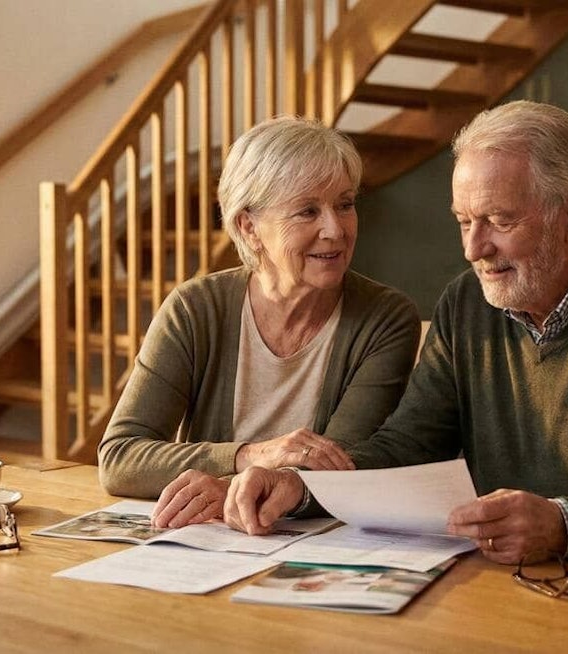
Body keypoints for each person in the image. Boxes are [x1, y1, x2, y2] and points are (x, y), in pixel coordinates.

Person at [222, 100, 568, 564]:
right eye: (463, 221)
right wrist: (301, 487)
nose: (474, 249)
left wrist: (564, 525)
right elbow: (405, 446)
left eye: (498, 220)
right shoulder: (466, 303)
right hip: (496, 585)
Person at [98, 116, 421, 528]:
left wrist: (228, 485)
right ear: (249, 227)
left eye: (345, 204)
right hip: (209, 543)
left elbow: (341, 465)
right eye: (307, 211)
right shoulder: (194, 309)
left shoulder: (385, 317)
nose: (335, 230)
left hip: (314, 544)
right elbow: (120, 457)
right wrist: (251, 455)